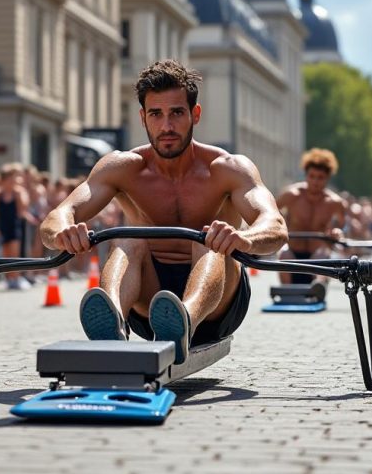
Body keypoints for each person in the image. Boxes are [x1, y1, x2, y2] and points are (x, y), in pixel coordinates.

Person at [40, 59, 287, 364]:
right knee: (130, 238)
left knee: (208, 236)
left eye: (177, 113)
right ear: (143, 118)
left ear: (195, 114)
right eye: (156, 114)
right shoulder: (122, 167)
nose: (166, 126)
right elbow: (57, 217)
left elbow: (275, 225)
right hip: (147, 301)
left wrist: (244, 238)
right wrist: (65, 232)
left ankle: (185, 319)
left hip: (219, 303)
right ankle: (113, 319)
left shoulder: (227, 168)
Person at [275, 148, 348, 284]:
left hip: (317, 256)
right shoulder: (291, 195)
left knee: (324, 254)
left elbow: (342, 226)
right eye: (311, 176)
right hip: (292, 253)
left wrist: (337, 232)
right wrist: (279, 225)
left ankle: (317, 287)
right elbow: (270, 213)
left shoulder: (335, 202)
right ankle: (288, 295)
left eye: (320, 178)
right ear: (306, 175)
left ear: (327, 178)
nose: (315, 181)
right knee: (284, 254)